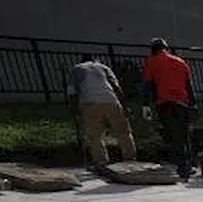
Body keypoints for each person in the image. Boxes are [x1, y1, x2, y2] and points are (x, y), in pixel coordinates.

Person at [140, 37, 196, 179]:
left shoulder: (151, 61)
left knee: (172, 135)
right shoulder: (181, 62)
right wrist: (193, 104)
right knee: (184, 135)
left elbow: (148, 84)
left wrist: (146, 104)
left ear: (153, 49)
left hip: (164, 103)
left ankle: (181, 166)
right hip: (183, 103)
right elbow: (189, 86)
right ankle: (189, 164)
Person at [69, 54, 137, 168]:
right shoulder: (103, 67)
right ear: (95, 60)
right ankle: (130, 159)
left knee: (94, 136)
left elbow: (72, 92)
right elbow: (116, 86)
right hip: (111, 100)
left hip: (89, 102)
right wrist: (125, 106)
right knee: (123, 132)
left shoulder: (77, 69)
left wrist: (75, 110)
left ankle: (101, 162)